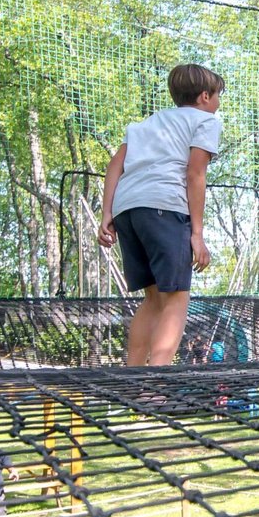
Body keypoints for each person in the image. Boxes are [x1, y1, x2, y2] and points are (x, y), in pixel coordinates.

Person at [98, 64, 223, 366]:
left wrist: (107, 215)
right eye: (218, 96)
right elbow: (195, 174)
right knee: (177, 297)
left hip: (128, 209)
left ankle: (135, 378)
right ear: (205, 96)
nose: (219, 103)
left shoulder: (146, 124)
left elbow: (115, 165)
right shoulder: (206, 121)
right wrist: (197, 234)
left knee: (153, 298)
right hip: (164, 207)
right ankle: (157, 381)